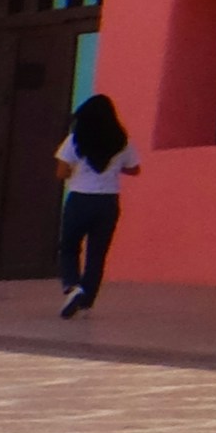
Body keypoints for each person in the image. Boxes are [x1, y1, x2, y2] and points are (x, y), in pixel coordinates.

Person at [55, 95, 136, 317]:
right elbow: (135, 169)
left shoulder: (75, 140)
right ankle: (86, 300)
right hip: (108, 202)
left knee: (69, 247)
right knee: (97, 253)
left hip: (80, 199)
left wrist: (76, 170)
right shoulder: (122, 141)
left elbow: (61, 172)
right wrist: (115, 167)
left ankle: (73, 287)